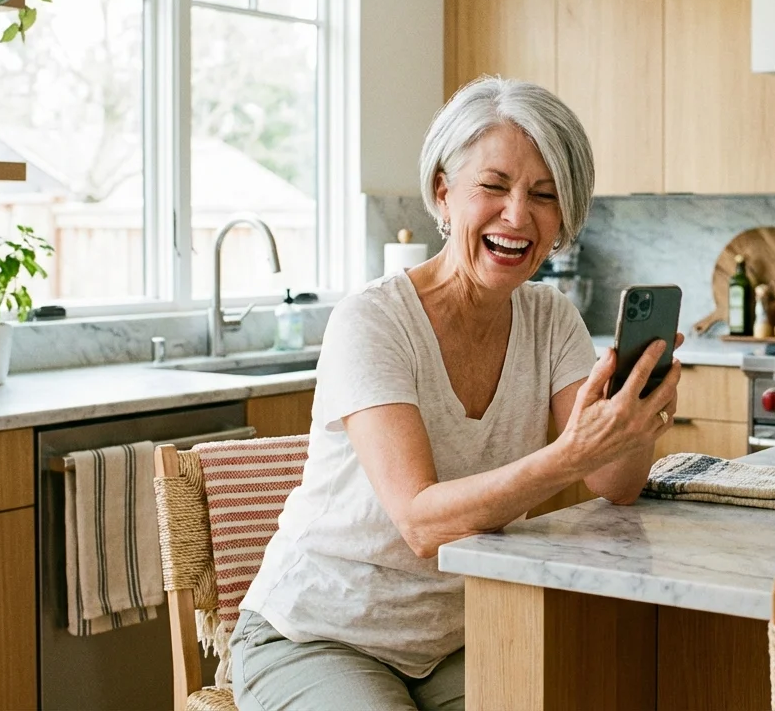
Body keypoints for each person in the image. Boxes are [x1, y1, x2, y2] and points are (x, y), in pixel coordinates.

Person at [231, 76, 683, 711]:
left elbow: (615, 481)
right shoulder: (373, 320)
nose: (518, 216)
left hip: (465, 633)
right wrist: (570, 456)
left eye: (544, 196)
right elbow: (421, 522)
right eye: (493, 187)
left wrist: (634, 419)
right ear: (444, 192)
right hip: (321, 633)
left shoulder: (551, 318)